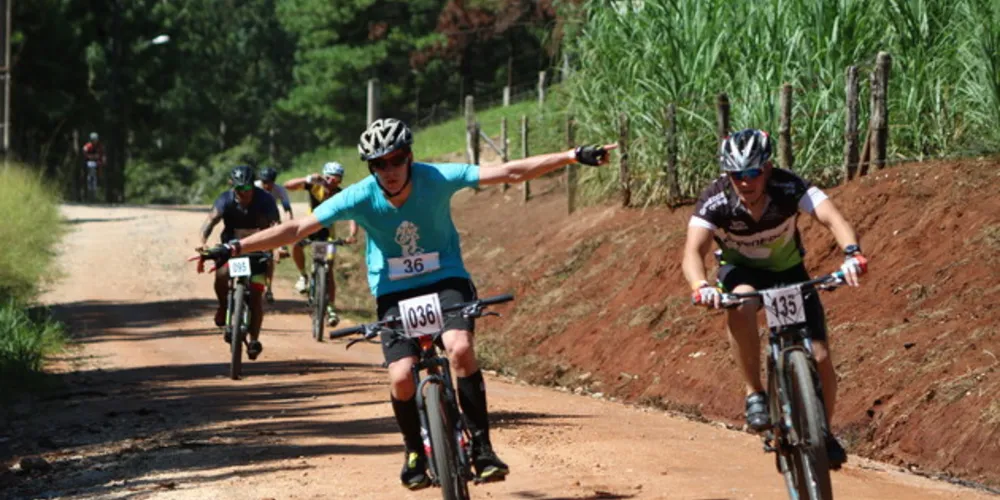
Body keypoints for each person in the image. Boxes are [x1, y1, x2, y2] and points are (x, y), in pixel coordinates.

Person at [194, 118, 615, 489]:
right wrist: (231, 248)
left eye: (396, 160)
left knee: (460, 348)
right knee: (400, 378)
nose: (390, 171)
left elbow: (507, 171)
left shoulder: (436, 178)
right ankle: (414, 451)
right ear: (370, 168)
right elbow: (297, 229)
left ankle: (483, 448)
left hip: (446, 279)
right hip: (394, 292)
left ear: (409, 156)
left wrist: (573, 155)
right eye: (380, 164)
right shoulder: (360, 196)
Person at [682, 128, 867, 469]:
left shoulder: (788, 186)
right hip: (741, 274)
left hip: (789, 273)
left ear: (766, 168)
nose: (745, 182)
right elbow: (693, 250)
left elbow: (832, 218)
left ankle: (822, 432)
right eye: (736, 175)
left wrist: (852, 253)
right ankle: (754, 392)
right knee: (742, 302)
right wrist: (699, 284)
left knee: (821, 355)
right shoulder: (715, 199)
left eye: (752, 172)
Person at [196, 165, 280, 360]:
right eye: (240, 189)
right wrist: (202, 244)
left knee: (257, 297)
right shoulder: (225, 200)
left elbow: (276, 226)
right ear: (232, 186)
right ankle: (224, 305)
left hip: (259, 248)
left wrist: (278, 248)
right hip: (231, 248)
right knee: (222, 275)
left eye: (249, 188)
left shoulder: (265, 199)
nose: (245, 193)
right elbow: (209, 222)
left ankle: (254, 340)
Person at [283, 161, 359, 327]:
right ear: (323, 177)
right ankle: (303, 275)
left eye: (337, 179)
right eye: (329, 178)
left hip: (326, 232)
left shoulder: (340, 194)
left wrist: (352, 234)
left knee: (328, 268)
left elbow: (353, 214)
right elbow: (287, 185)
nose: (332, 182)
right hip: (309, 226)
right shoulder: (314, 187)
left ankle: (330, 307)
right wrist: (307, 178)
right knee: (296, 244)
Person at [255, 166, 293, 303]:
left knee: (269, 256)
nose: (267, 185)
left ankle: (269, 288)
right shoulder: (254, 187)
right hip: (253, 219)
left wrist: (289, 226)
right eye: (264, 182)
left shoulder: (279, 190)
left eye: (270, 182)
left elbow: (287, 210)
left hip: (271, 220)